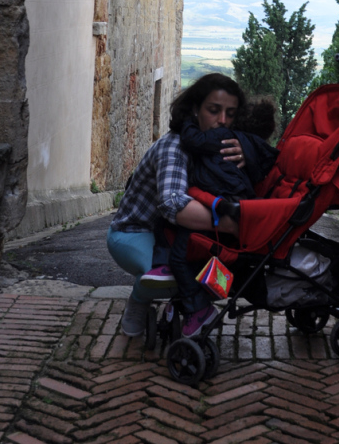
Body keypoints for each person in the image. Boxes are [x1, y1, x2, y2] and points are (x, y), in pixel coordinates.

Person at [106, 73, 247, 340]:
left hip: (174, 234)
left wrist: (247, 151)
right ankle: (139, 299)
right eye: (214, 110)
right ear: (195, 109)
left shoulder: (218, 145)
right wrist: (229, 223)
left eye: (231, 113)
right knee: (167, 277)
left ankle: (181, 305)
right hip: (134, 231)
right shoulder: (175, 146)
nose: (222, 121)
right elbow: (172, 203)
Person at [142, 97, 278, 321]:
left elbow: (194, 140)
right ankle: (182, 295)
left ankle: (196, 308)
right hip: (229, 205)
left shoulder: (225, 138)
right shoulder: (258, 150)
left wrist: (187, 119)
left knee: (179, 250)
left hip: (220, 205)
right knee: (185, 243)